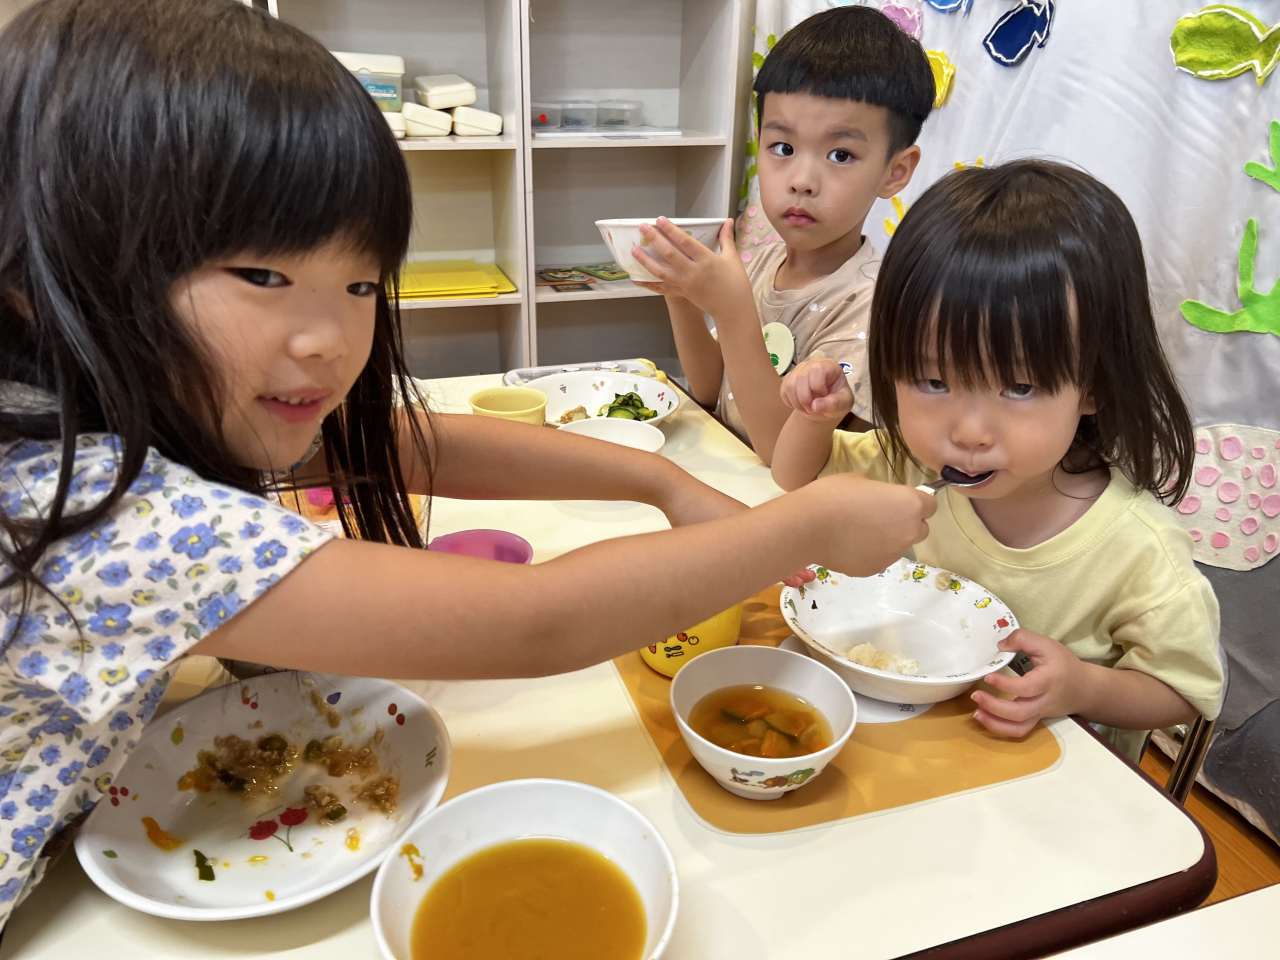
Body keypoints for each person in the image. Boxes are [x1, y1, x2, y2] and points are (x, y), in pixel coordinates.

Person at [0, 0, 936, 924]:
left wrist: (660, 481)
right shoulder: (86, 509)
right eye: (263, 276)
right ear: (41, 274)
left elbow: (403, 440)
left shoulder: (105, 412)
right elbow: (536, 625)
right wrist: (805, 526)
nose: (332, 339)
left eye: (362, 282)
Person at [771, 160, 1225, 761]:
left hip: (1052, 793)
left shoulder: (1138, 549)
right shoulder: (911, 467)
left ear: (1090, 386)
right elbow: (795, 477)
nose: (968, 432)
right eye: (933, 380)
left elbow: (1186, 692)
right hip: (919, 750)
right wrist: (814, 417)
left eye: (1018, 388)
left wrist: (1083, 686)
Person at [632, 6, 934, 463]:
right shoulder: (769, 262)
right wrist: (681, 297)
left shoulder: (873, 305)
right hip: (732, 477)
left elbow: (785, 458)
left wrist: (732, 311)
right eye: (784, 148)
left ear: (895, 171)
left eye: (840, 154)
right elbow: (713, 388)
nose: (802, 180)